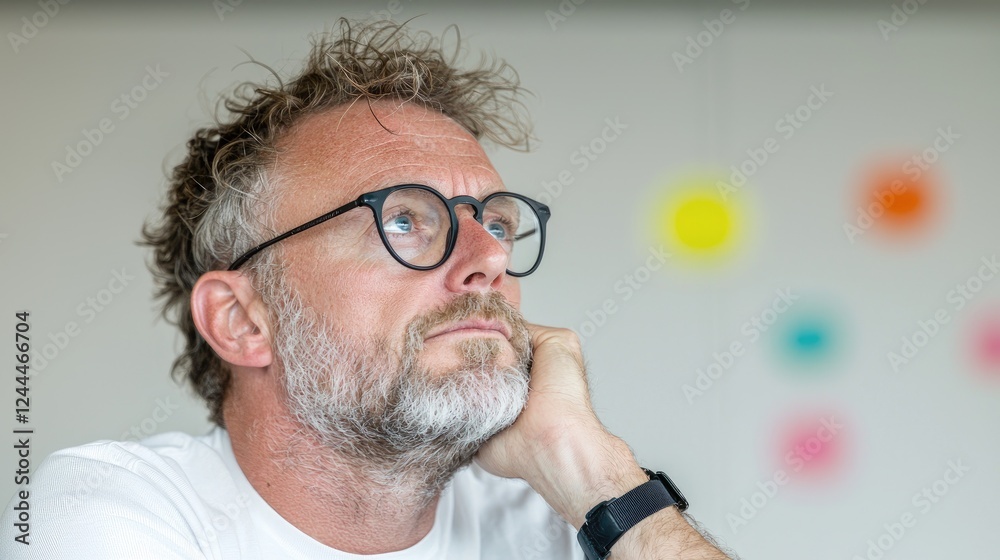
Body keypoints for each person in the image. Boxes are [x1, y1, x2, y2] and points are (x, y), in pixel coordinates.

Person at [2, 19, 735, 559]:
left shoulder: (559, 519)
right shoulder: (110, 510)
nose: (486, 257)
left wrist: (600, 476)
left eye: (496, 222)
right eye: (406, 219)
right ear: (241, 320)